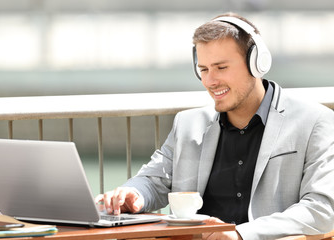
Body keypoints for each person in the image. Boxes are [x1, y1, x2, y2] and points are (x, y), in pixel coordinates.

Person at [95, 12, 334, 240]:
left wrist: (242, 234)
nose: (210, 81)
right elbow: (152, 180)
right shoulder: (187, 124)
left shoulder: (315, 122)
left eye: (221, 68)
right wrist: (133, 194)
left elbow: (323, 208)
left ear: (257, 63)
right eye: (203, 70)